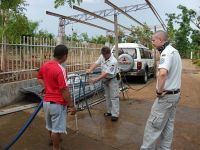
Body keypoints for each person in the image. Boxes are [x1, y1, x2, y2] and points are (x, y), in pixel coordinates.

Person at [140, 30, 182, 150]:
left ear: (160, 40)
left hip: (166, 97)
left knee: (153, 126)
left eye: (153, 40)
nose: (152, 43)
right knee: (168, 126)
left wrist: (159, 90)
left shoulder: (166, 53)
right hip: (175, 95)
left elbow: (162, 74)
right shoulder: (175, 52)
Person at [37, 44, 76, 150]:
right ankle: (56, 148)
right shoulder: (60, 69)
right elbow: (64, 90)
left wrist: (46, 87)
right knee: (57, 129)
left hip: (46, 103)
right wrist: (71, 105)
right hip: (57, 104)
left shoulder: (46, 65)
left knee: (50, 126)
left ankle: (52, 140)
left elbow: (39, 77)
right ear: (64, 56)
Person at [86, 46, 120, 121]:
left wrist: (95, 79)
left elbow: (106, 73)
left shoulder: (113, 61)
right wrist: (90, 69)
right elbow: (96, 63)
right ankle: (109, 112)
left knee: (114, 97)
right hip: (105, 79)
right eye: (103, 55)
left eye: (105, 55)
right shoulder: (102, 56)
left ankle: (115, 114)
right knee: (107, 96)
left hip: (112, 79)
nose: (104, 57)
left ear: (109, 54)